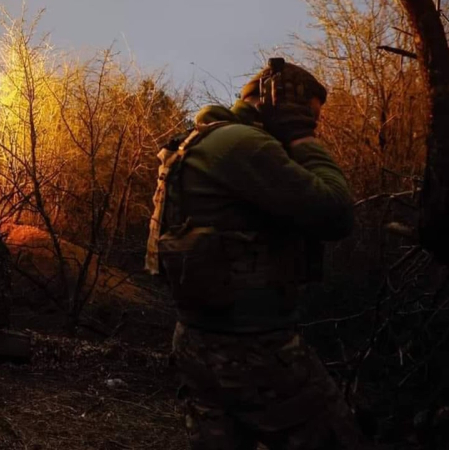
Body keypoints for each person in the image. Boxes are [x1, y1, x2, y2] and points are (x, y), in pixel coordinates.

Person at [147, 60, 367, 448]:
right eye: (310, 116)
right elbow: (335, 213)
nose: (315, 125)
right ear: (283, 107)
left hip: (198, 336)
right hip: (250, 346)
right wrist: (302, 140)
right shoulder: (244, 145)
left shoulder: (204, 139)